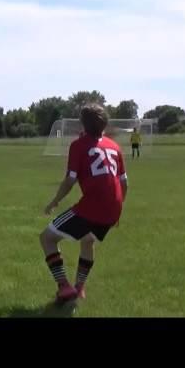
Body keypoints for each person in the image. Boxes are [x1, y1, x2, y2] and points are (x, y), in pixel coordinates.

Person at [39, 104, 128, 305]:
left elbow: (70, 180)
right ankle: (79, 288)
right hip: (114, 208)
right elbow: (124, 183)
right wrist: (118, 211)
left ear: (82, 124)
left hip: (91, 208)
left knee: (47, 238)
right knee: (88, 241)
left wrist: (54, 202)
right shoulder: (114, 147)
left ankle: (64, 286)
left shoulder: (78, 146)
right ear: (104, 124)